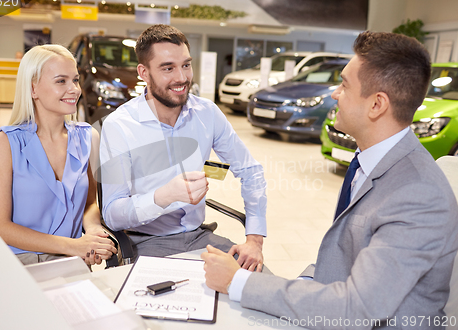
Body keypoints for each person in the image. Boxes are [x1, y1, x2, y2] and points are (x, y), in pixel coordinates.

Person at [202, 31, 458, 329]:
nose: (335, 93)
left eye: (345, 85)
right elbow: (344, 260)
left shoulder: (418, 194)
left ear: (377, 105)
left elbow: (357, 310)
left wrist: (239, 282)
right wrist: (302, 281)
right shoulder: (369, 161)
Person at [100, 24, 267, 271]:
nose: (181, 78)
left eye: (186, 65)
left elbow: (250, 171)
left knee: (261, 287)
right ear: (144, 73)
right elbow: (112, 213)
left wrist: (254, 239)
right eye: (168, 68)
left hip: (200, 237)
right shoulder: (120, 126)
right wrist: (163, 196)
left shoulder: (207, 113)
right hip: (146, 243)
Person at [0, 44, 116, 265]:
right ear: (33, 89)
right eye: (61, 81)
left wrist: (93, 231)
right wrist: (72, 246)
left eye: (75, 80)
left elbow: (89, 204)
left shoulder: (88, 137)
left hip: (71, 262)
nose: (74, 89)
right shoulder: (5, 143)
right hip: (18, 263)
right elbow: (0, 227)